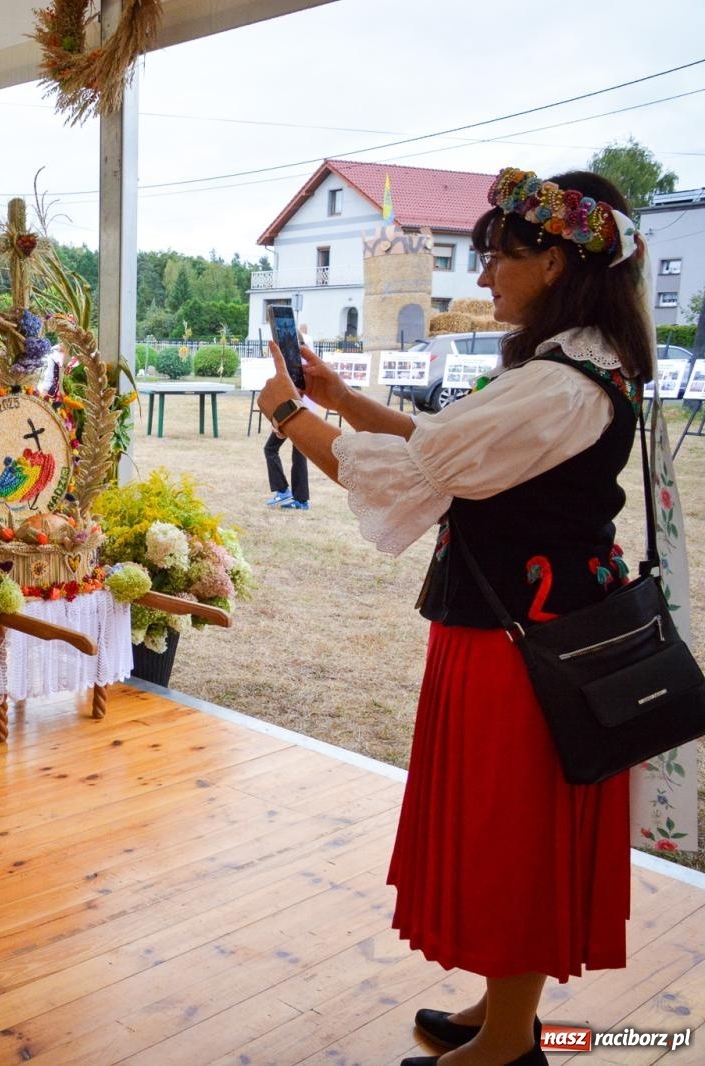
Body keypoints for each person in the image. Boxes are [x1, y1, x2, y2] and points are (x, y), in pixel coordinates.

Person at [257, 169, 651, 1066]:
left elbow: (418, 476)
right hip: (529, 630)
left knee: (513, 830)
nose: (482, 280)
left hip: (526, 643)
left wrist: (288, 413)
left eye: (495, 260)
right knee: (510, 825)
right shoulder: (578, 367)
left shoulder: (560, 386)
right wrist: (340, 399)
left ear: (553, 260)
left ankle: (511, 1044)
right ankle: (502, 1009)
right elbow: (450, 453)